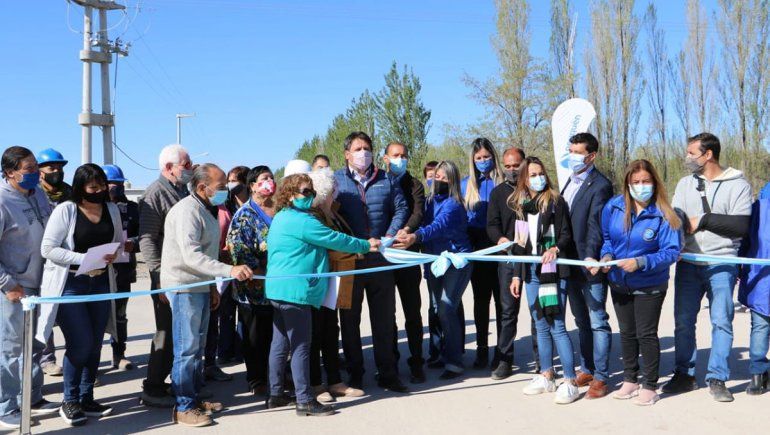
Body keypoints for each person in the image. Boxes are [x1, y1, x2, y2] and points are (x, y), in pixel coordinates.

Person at [265, 173, 380, 416]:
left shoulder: (281, 217)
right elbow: (334, 239)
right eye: (305, 192)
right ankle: (305, 400)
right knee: (300, 347)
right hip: (295, 292)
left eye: (312, 192)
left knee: (280, 343)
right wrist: (365, 245)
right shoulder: (303, 221)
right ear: (290, 194)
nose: (311, 196)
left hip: (278, 289)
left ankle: (275, 394)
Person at [664, 132, 752, 402]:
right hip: (689, 263)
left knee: (722, 322)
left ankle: (718, 377)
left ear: (708, 154)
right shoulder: (684, 184)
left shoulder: (738, 185)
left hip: (723, 263)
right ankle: (684, 374)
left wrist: (702, 220)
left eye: (692, 153)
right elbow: (677, 220)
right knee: (683, 323)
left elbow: (740, 226)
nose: (687, 158)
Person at [163, 164, 253, 427]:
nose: (226, 190)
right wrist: (229, 270)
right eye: (221, 185)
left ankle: (193, 397)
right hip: (184, 287)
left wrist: (213, 286)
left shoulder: (205, 209)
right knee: (186, 349)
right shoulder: (186, 212)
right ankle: (183, 407)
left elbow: (209, 252)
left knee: (197, 347)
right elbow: (191, 256)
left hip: (201, 286)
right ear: (203, 187)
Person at [39, 164, 123, 426]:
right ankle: (70, 399)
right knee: (81, 342)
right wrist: (84, 259)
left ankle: (87, 397)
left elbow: (118, 242)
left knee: (96, 342)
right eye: (93, 187)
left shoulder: (111, 209)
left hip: (100, 285)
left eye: (102, 186)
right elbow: (48, 248)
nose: (99, 191)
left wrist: (114, 254)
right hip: (72, 284)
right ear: (80, 188)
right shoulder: (66, 210)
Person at [596, 160, 682, 406]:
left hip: (649, 283)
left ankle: (650, 385)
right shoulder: (613, 207)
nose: (641, 186)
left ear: (654, 183)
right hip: (619, 281)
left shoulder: (665, 214)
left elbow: (671, 252)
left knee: (646, 334)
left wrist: (641, 262)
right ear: (627, 184)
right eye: (636, 182)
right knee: (626, 333)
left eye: (646, 181)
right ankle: (630, 379)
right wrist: (607, 256)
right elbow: (607, 240)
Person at [334, 131, 409, 393]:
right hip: (349, 262)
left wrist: (390, 234)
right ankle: (355, 374)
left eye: (366, 148)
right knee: (350, 321)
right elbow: (327, 216)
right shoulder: (336, 181)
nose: (362, 153)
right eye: (357, 149)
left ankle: (388, 373)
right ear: (347, 154)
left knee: (384, 320)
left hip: (380, 261)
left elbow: (401, 208)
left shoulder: (386, 179)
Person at [508, 157, 578, 404]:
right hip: (531, 273)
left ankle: (570, 380)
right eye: (532, 174)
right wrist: (517, 274)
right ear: (524, 179)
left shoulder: (556, 202)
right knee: (539, 324)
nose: (538, 178)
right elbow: (519, 245)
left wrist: (556, 249)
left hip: (553, 271)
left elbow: (566, 235)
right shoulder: (521, 206)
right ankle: (546, 374)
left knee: (556, 324)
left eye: (541, 173)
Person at [395, 161, 472, 380]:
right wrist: (407, 231)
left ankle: (454, 361)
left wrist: (415, 237)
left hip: (455, 262)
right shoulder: (429, 202)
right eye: (436, 176)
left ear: (453, 181)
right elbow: (421, 222)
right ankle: (441, 353)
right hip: (434, 262)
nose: (438, 181)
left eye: (444, 178)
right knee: (437, 308)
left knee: (447, 308)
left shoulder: (454, 204)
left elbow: (438, 226)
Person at [0, 146, 59, 429]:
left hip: (41, 283)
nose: (37, 173)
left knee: (36, 344)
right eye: (30, 169)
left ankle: (33, 397)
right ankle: (6, 406)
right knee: (11, 349)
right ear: (10, 172)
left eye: (37, 167)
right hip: (14, 288)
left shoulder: (39, 195)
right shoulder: (1, 201)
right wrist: (7, 284)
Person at [138, 144, 193, 407]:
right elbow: (147, 239)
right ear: (169, 168)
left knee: (185, 333)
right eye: (186, 164)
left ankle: (180, 383)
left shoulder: (183, 190)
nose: (190, 169)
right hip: (166, 275)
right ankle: (154, 386)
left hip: (187, 272)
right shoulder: (155, 193)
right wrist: (158, 276)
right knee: (166, 331)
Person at [560, 132, 613, 398]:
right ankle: (588, 367)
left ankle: (602, 377)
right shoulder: (568, 181)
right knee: (580, 320)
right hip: (567, 263)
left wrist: (590, 257)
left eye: (577, 152)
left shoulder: (600, 185)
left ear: (591, 156)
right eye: (570, 151)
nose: (572, 156)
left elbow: (595, 225)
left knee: (597, 320)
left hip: (588, 264)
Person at [307, 168, 365, 401]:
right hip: (317, 281)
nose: (336, 194)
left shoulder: (333, 212)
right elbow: (331, 247)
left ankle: (335, 380)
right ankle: (315, 384)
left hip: (333, 283)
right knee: (315, 334)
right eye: (332, 190)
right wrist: (359, 250)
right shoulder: (314, 216)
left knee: (331, 332)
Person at [486, 147, 539, 379]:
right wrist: (500, 238)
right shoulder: (498, 193)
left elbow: (536, 222)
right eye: (507, 166)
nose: (511, 170)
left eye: (516, 165)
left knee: (539, 310)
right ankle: (505, 358)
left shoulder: (534, 190)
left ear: (524, 163)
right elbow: (492, 224)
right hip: (509, 258)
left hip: (535, 258)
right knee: (508, 311)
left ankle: (542, 359)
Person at [226, 165, 277, 396]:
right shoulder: (244, 215)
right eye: (264, 179)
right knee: (255, 336)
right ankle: (256, 379)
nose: (270, 182)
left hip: (279, 285)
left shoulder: (281, 210)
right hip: (254, 287)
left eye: (272, 178)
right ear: (253, 185)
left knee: (276, 335)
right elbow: (238, 249)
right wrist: (259, 269)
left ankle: (277, 374)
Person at [382, 142, 426, 384]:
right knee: (388, 314)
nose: (400, 159)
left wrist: (406, 231)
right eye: (396, 155)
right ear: (386, 158)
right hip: (385, 257)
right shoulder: (379, 182)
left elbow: (418, 212)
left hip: (408, 252)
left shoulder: (415, 185)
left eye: (404, 155)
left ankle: (417, 360)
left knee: (413, 311)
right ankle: (391, 361)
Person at [203, 166, 250, 382]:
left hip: (244, 267)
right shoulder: (222, 205)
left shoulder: (250, 205)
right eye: (226, 182)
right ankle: (221, 354)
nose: (230, 186)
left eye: (233, 181)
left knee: (244, 311)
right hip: (221, 266)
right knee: (223, 312)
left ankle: (240, 350)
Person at [461, 138, 503, 369]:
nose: (483, 161)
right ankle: (481, 349)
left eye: (487, 157)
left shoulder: (502, 182)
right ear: (473, 160)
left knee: (501, 302)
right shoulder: (465, 184)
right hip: (476, 247)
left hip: (499, 245)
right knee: (480, 300)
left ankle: (502, 350)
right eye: (478, 158)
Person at [36, 147, 70, 376]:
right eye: (51, 167)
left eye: (59, 167)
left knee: (67, 313)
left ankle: (74, 362)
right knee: (44, 311)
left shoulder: (69, 192)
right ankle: (47, 359)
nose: (56, 171)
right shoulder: (34, 193)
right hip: (39, 259)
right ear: (40, 171)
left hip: (65, 259)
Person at [102, 164, 139, 371]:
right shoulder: (95, 208)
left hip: (123, 270)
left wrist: (133, 242)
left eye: (118, 184)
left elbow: (144, 235)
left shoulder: (132, 208)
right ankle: (92, 362)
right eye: (110, 184)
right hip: (97, 270)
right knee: (96, 317)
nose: (114, 188)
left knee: (120, 316)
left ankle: (119, 354)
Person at [738, 194, 770, 395]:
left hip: (759, 277)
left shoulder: (757, 206)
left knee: (760, 326)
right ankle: (758, 371)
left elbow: (744, 239)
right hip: (760, 276)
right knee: (760, 325)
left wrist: (739, 267)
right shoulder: (758, 206)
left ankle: (757, 374)